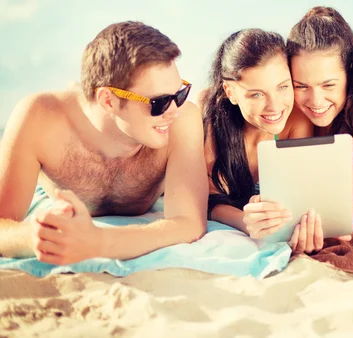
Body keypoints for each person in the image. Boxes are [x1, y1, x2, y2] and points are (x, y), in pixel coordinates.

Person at [0, 21, 208, 264]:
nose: (174, 111)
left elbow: (189, 223)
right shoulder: (40, 118)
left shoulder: (182, 120)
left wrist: (97, 242)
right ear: (108, 101)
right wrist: (37, 237)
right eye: (159, 102)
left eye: (180, 94)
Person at [199, 29, 321, 254]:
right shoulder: (209, 113)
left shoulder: (297, 120)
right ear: (230, 92)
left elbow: (298, 199)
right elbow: (207, 200)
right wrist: (245, 221)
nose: (275, 107)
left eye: (283, 87)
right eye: (257, 94)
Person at [286, 7, 353, 222]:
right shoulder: (286, 110)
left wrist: (307, 209)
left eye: (328, 85)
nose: (316, 101)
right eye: (301, 86)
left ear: (349, 73)